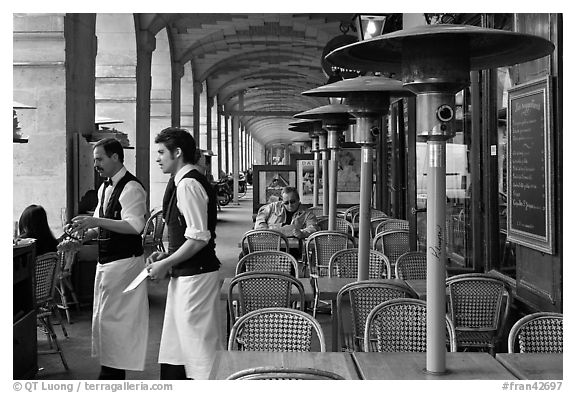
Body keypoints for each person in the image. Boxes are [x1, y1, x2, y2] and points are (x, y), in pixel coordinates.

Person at [68, 138, 149, 380]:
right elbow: (100, 224)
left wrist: (96, 222)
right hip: (107, 264)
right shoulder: (104, 188)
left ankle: (113, 374)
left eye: (100, 159)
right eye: (94, 160)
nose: (96, 164)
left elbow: (136, 226)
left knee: (117, 322)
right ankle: (109, 369)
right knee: (105, 319)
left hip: (125, 264)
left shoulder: (132, 187)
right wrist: (82, 236)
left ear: (115, 157)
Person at [146, 127, 222, 380]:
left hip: (197, 276)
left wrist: (167, 262)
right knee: (180, 343)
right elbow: (189, 235)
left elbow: (199, 238)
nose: (157, 158)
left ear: (177, 152)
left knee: (198, 346)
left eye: (161, 152)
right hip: (188, 275)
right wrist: (166, 258)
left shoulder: (188, 184)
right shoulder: (183, 181)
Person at [254, 186, 319, 240]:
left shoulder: (307, 213)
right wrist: (265, 229)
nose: (290, 205)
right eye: (286, 203)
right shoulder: (273, 207)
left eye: (293, 201)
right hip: (270, 242)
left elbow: (313, 228)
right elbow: (260, 218)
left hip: (293, 248)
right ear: (282, 202)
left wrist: (302, 233)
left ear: (298, 200)